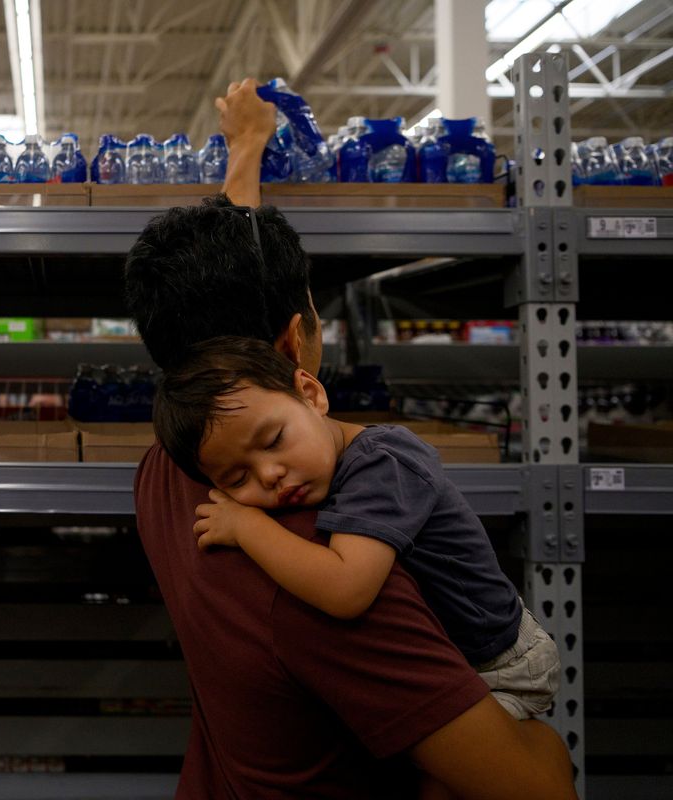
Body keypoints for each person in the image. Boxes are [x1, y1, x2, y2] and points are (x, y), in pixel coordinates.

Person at [123, 78, 576, 798]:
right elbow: (533, 789)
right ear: (296, 347)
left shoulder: (171, 469)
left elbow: (224, 312)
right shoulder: (323, 568)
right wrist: (546, 745)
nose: (266, 474)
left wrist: (247, 150)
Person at [154, 334, 560, 721]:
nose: (270, 474)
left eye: (275, 439)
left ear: (312, 395)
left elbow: (346, 590)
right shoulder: (323, 471)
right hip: (456, 658)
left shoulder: (383, 463)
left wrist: (246, 526)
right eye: (238, 479)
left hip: (502, 667)